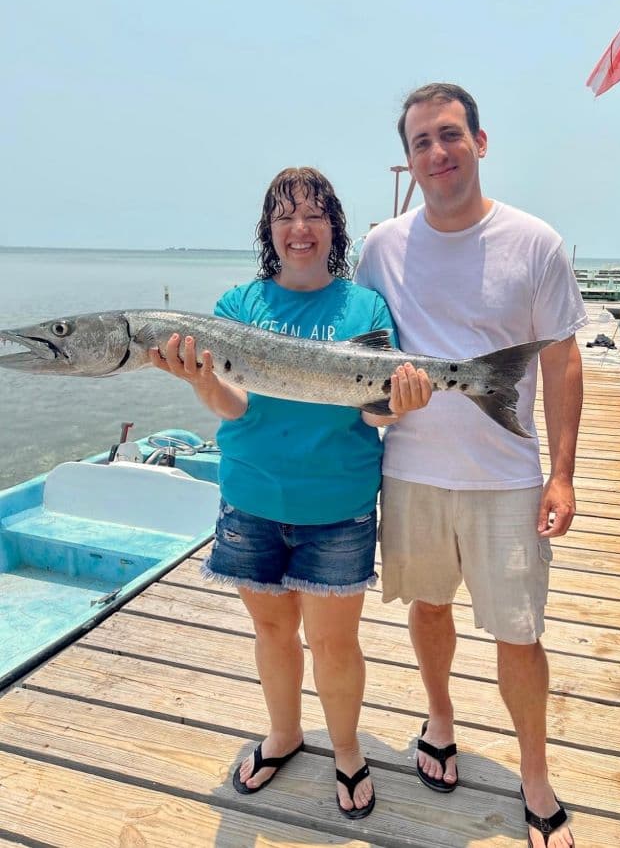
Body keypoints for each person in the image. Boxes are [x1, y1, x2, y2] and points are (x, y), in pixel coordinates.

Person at [149, 167, 430, 820]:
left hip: (338, 506)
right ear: (268, 231)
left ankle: (349, 749)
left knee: (336, 644)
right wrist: (198, 382)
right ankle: (283, 734)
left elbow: (373, 413)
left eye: (312, 214)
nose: (299, 228)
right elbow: (235, 404)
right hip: (250, 500)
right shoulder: (236, 309)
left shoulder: (363, 308)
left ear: (332, 226)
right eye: (284, 216)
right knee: (271, 630)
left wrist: (402, 405)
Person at [355, 84, 586, 848]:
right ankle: (440, 715)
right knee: (427, 608)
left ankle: (535, 770)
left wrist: (562, 471)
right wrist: (378, 409)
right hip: (412, 474)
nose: (437, 152)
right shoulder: (381, 247)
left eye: (450, 135)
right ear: (409, 160)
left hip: (507, 480)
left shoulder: (536, 243)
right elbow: (365, 363)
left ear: (480, 143)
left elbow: (560, 361)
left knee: (520, 634)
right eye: (421, 142)